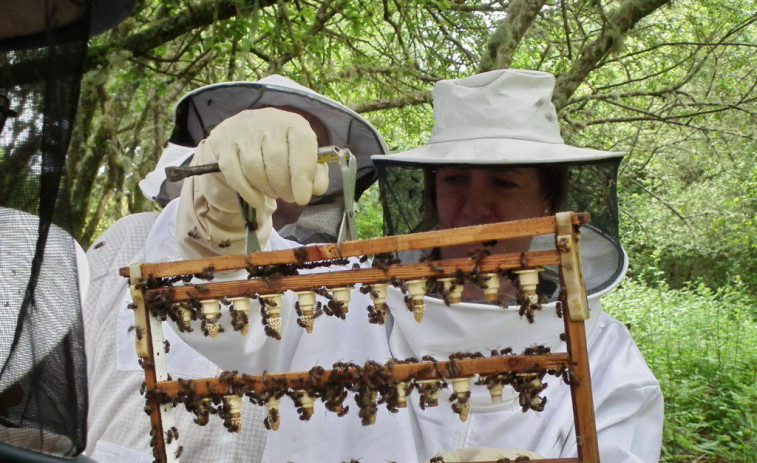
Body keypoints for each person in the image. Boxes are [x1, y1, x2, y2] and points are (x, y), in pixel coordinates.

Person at [148, 69, 663, 462]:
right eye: (454, 181)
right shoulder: (343, 306)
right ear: (431, 194)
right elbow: (212, 305)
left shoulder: (604, 356)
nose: (473, 209)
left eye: (504, 184)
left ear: (548, 203)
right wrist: (215, 206)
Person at [83, 75, 388, 462]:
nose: (276, 155)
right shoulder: (128, 238)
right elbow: (63, 377)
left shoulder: (325, 279)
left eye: (298, 146)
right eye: (266, 139)